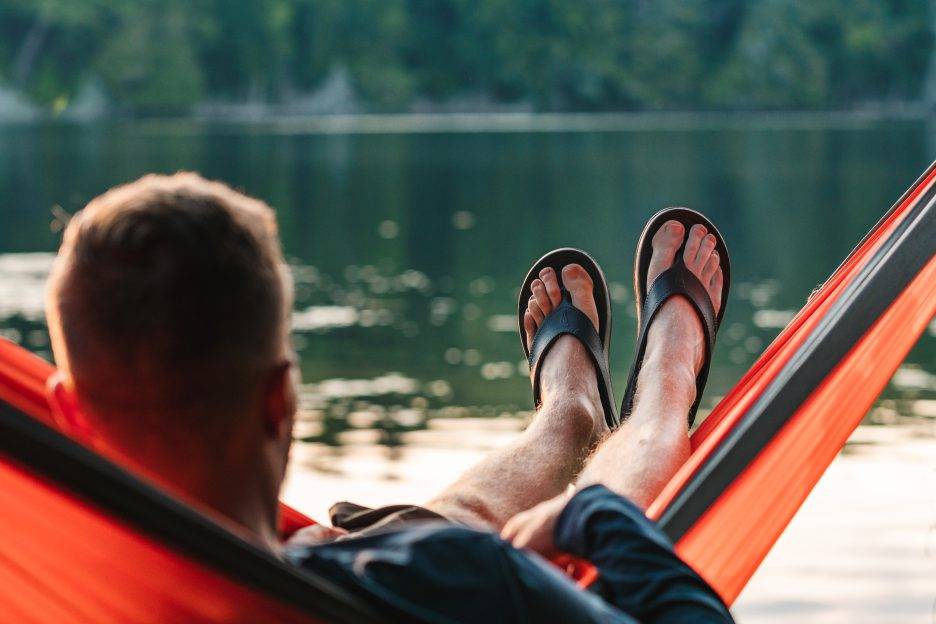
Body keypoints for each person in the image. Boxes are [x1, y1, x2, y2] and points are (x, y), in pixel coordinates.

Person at [45, 172, 733, 623]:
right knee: (460, 544)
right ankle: (657, 403)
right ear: (280, 399)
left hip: (297, 573)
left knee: (427, 524)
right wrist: (594, 522)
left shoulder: (46, 597)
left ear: (67, 416)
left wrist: (300, 560)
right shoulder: (463, 579)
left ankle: (568, 418)